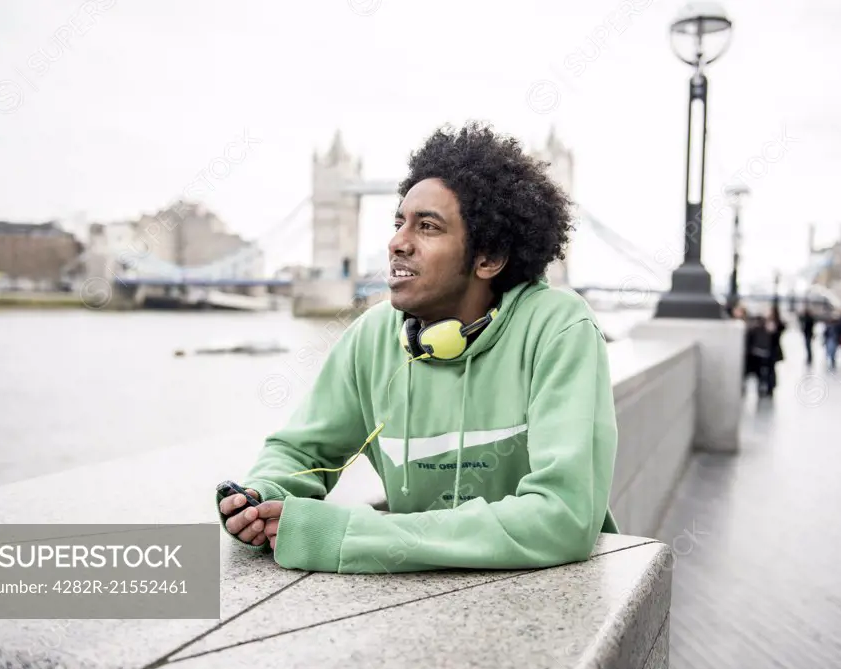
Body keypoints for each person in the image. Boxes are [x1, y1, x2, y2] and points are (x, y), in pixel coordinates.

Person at [216, 122, 619, 573]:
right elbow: (302, 454)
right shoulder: (371, 337)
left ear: (488, 258)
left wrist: (347, 536)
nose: (397, 242)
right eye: (398, 222)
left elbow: (561, 517)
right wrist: (262, 497)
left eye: (427, 227)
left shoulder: (559, 330)